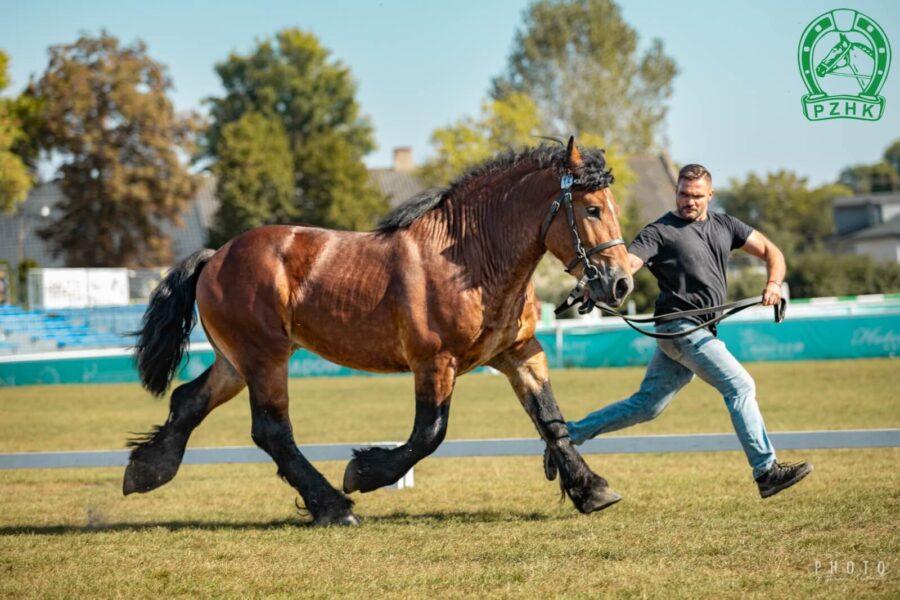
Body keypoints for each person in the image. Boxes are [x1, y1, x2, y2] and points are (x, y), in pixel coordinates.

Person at [561, 164, 812, 499]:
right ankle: (766, 471)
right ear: (675, 192)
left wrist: (773, 283)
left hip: (696, 330)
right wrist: (595, 286)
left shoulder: (727, 225)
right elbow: (629, 264)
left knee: (646, 406)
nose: (688, 201)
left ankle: (565, 437)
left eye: (696, 195)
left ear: (710, 195)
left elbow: (771, 252)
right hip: (680, 327)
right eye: (683, 194)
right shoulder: (660, 231)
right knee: (740, 386)